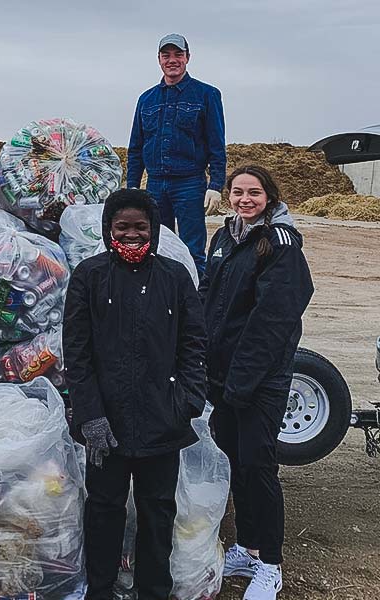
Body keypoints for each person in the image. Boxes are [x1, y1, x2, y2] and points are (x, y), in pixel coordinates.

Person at [63, 188, 207, 600]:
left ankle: (154, 590)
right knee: (104, 511)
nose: (130, 235)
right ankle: (101, 589)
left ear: (154, 229)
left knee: (158, 512)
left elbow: (194, 345)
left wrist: (186, 404)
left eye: (139, 227)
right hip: (104, 425)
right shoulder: (89, 276)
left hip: (162, 421)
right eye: (122, 227)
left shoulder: (174, 277)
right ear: (109, 229)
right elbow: (77, 351)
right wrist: (89, 415)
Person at [200, 165, 314, 600]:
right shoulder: (225, 236)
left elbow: (274, 321)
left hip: (259, 379)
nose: (244, 199)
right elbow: (208, 296)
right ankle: (247, 548)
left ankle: (270, 562)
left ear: (269, 195)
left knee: (258, 465)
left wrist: (243, 380)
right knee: (234, 464)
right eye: (237, 191)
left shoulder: (280, 244)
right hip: (223, 376)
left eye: (254, 192)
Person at [126, 33, 226, 277]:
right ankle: (161, 301)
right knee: (156, 246)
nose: (172, 60)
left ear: (187, 58)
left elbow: (216, 144)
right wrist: (132, 188)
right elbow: (136, 148)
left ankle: (196, 305)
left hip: (190, 184)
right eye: (166, 55)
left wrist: (215, 185)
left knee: (193, 250)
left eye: (178, 54)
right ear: (159, 60)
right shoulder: (146, 100)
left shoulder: (206, 95)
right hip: (155, 185)